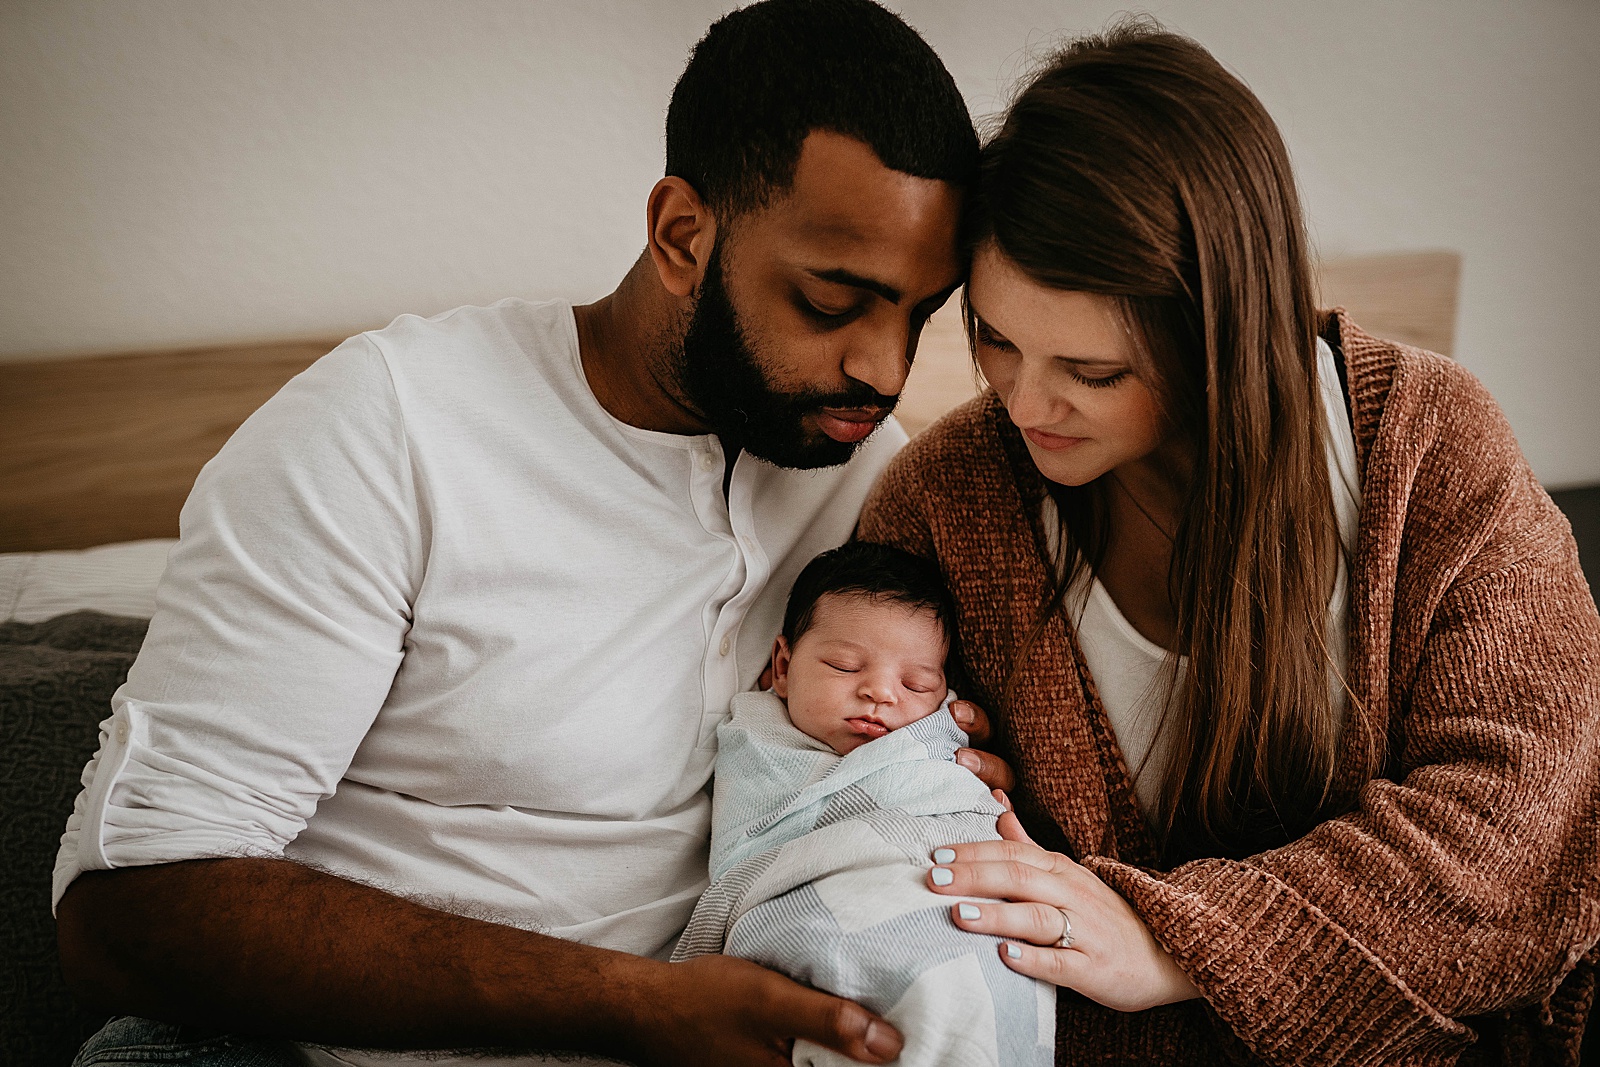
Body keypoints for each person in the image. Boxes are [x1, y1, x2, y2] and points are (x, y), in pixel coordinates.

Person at [52, 3, 1015, 1065]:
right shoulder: (391, 426)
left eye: (919, 314)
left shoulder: (866, 470)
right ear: (682, 236)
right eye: (833, 298)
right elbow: (130, 904)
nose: (881, 369)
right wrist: (643, 1006)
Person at [859, 20, 1600, 1066]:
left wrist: (1175, 940)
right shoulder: (942, 499)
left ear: (1222, 332)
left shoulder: (1434, 444)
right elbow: (873, 832)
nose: (1023, 401)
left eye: (1093, 371)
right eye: (992, 337)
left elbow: (1518, 845)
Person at [676, 542, 1054, 1066]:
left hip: (940, 899)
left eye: (916, 683)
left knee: (960, 999)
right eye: (844, 666)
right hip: (802, 899)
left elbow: (968, 818)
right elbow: (749, 849)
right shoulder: (757, 737)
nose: (879, 692)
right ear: (782, 666)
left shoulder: (935, 739)